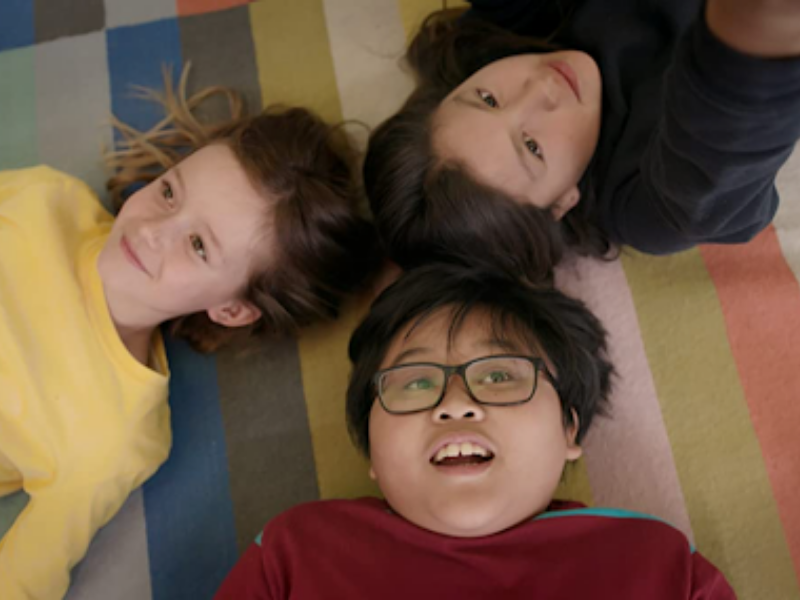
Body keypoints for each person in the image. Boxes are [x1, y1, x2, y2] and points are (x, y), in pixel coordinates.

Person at [0, 71, 379, 599]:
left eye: (199, 246)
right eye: (169, 191)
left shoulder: (115, 436)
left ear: (231, 309)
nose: (153, 229)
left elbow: (20, 578)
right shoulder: (48, 199)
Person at [214, 264, 736, 599]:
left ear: (569, 427)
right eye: (416, 382)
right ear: (372, 448)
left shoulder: (656, 562)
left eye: (501, 375)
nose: (457, 404)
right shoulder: (298, 551)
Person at [363, 0, 800, 281]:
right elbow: (733, 122)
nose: (539, 88)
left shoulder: (495, 41)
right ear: (559, 204)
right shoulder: (648, 207)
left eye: (487, 98)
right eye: (532, 147)